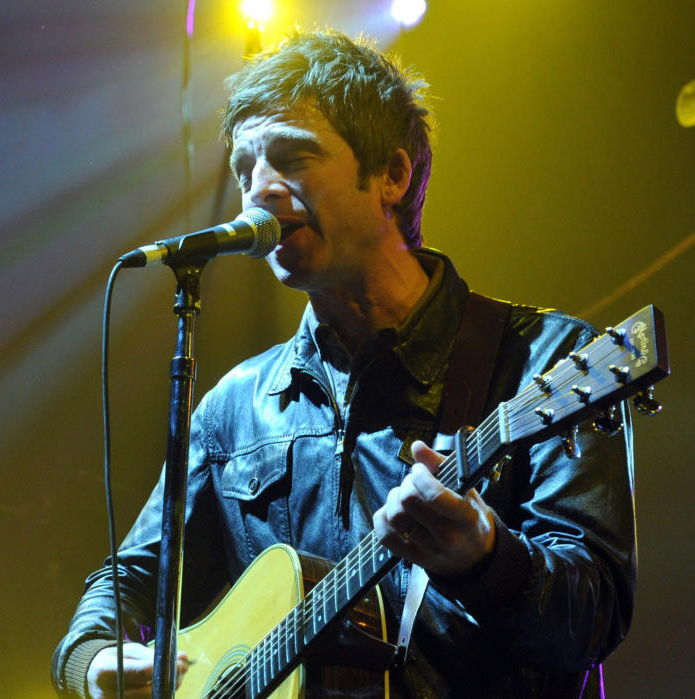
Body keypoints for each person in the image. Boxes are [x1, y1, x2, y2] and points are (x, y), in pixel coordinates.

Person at [53, 30, 635, 698]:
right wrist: (90, 656)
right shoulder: (236, 406)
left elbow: (595, 616)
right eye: (245, 171)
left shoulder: (546, 360)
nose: (259, 191)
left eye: (293, 159)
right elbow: (131, 579)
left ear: (392, 174)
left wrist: (486, 558)